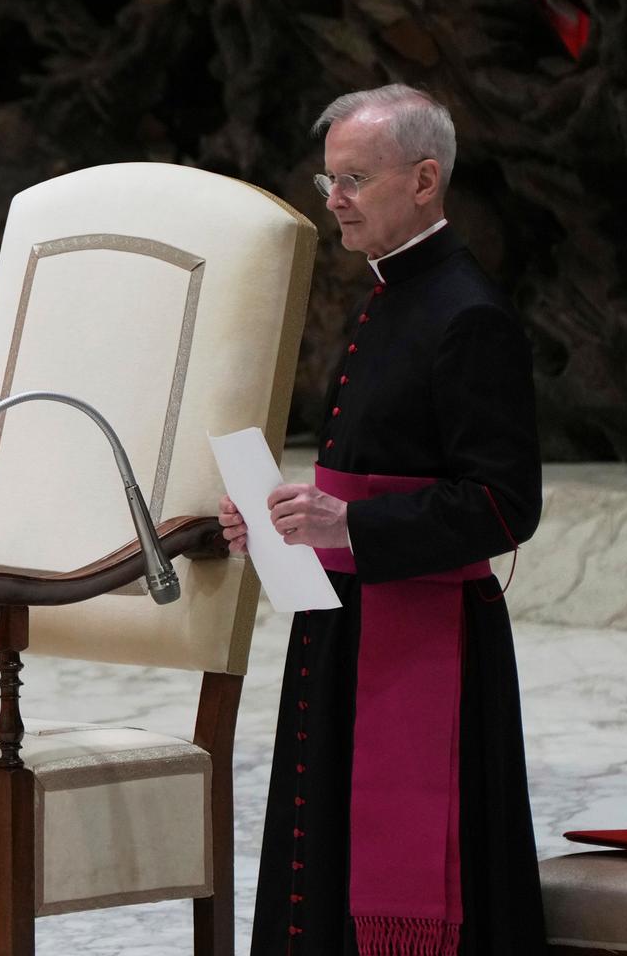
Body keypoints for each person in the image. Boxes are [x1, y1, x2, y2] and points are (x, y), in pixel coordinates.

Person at [219, 84, 546, 955]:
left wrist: (347, 526)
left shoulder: (469, 314)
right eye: (328, 180)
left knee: (413, 874)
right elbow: (366, 475)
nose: (334, 200)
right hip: (346, 627)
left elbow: (504, 504)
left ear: (425, 180)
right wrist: (279, 518)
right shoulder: (384, 297)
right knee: (322, 851)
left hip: (425, 638)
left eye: (354, 179)